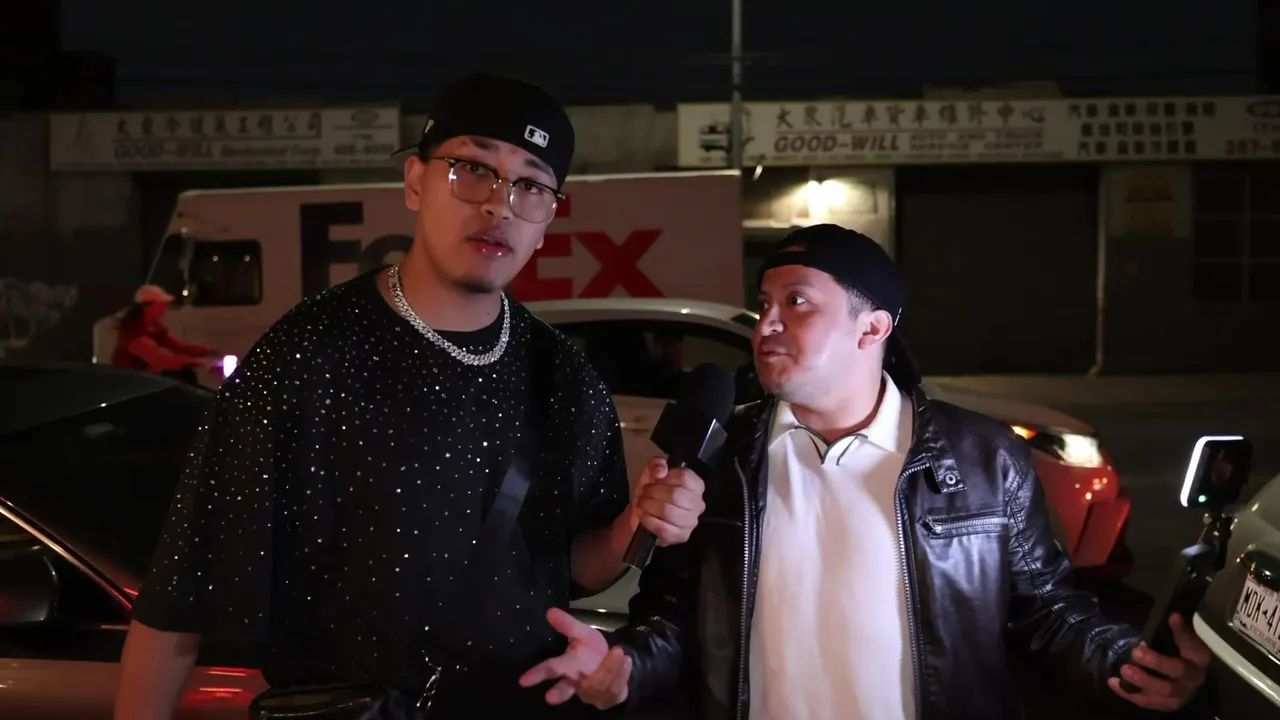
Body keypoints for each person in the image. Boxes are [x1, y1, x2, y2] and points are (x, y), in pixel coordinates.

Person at [113, 73, 703, 720]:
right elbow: (181, 589)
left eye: (531, 185)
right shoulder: (309, 351)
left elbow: (574, 567)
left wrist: (633, 524)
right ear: (416, 181)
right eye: (473, 169)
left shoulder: (565, 375)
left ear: (548, 219)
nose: (499, 206)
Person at [519, 224, 1214, 719]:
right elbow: (671, 620)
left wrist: (1131, 664)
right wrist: (622, 669)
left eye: (797, 302)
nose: (766, 324)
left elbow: (1048, 613)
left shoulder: (984, 458)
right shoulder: (722, 456)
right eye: (765, 304)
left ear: (872, 328)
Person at [110, 284, 218, 383]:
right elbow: (164, 360)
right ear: (149, 307)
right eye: (161, 304)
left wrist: (209, 352)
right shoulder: (135, 334)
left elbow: (178, 346)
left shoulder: (154, 329)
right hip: (135, 385)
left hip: (146, 381)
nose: (164, 308)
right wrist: (200, 362)